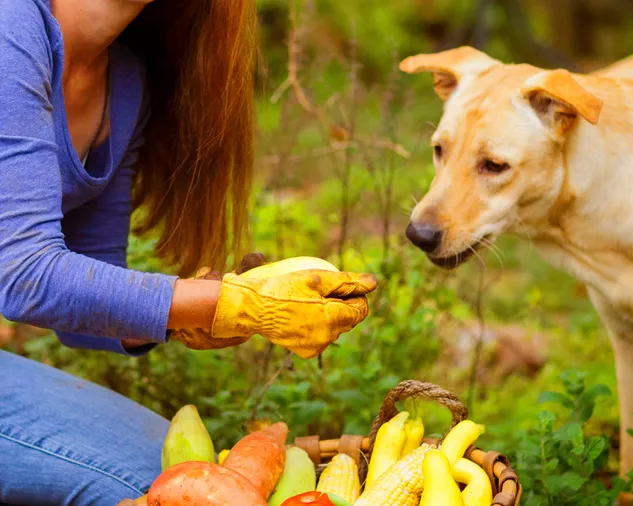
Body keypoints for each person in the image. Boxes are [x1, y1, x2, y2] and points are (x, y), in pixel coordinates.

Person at [0, 0, 377, 504]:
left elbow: (80, 305)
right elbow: (23, 275)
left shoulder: (126, 81)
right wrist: (217, 304)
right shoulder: (12, 25)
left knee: (173, 469)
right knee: (153, 484)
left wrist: (196, 316)